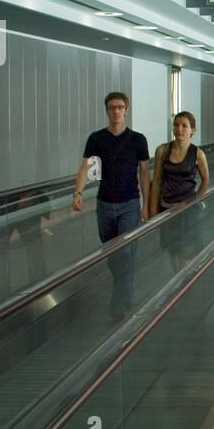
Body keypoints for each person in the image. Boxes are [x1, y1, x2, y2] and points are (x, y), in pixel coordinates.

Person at [74, 92, 150, 319]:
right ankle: (123, 288)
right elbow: (85, 167)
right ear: (107, 111)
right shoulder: (96, 138)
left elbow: (144, 173)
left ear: (126, 110)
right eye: (111, 108)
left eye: (119, 107)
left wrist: (146, 205)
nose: (115, 111)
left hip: (129, 204)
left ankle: (120, 304)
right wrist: (77, 192)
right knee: (111, 254)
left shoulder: (138, 139)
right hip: (104, 205)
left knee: (125, 252)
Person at [149, 111, 210, 270]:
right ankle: (177, 281)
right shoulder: (162, 150)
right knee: (172, 250)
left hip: (187, 212)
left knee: (186, 252)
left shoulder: (198, 154)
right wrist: (153, 211)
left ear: (192, 130)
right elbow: (156, 181)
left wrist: (196, 200)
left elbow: (206, 179)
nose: (179, 129)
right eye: (176, 125)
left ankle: (184, 286)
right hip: (167, 209)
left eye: (184, 126)